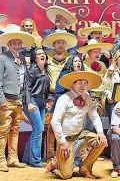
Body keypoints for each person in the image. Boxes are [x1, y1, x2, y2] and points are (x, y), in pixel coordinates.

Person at [46, 71, 107, 179]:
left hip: (80, 136)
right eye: (80, 82)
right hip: (66, 140)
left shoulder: (88, 99)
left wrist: (100, 132)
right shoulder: (63, 99)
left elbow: (95, 116)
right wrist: (62, 143)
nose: (83, 86)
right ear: (73, 84)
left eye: (85, 83)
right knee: (66, 175)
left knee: (102, 141)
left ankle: (85, 168)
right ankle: (56, 162)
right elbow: (55, 122)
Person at [0, 25, 34, 172]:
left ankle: (13, 158)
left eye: (19, 43)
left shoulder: (23, 59)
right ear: (9, 44)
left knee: (15, 130)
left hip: (18, 100)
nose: (17, 45)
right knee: (2, 130)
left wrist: (25, 100)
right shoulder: (2, 58)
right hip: (7, 100)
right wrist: (1, 100)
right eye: (14, 43)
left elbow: (25, 82)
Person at [41, 32, 78, 161]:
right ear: (54, 45)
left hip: (68, 95)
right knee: (51, 124)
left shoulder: (71, 59)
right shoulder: (47, 58)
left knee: (65, 124)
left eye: (63, 43)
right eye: (58, 43)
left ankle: (63, 155)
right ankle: (50, 155)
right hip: (52, 95)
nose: (61, 45)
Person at [22, 48, 50, 167]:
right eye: (39, 54)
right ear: (35, 57)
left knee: (38, 130)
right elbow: (27, 88)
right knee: (38, 129)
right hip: (32, 101)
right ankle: (35, 160)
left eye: (43, 53)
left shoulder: (46, 70)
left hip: (42, 102)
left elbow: (46, 87)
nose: (42, 55)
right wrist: (28, 103)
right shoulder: (32, 70)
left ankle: (26, 158)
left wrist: (47, 101)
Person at [77, 39, 113, 130]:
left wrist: (108, 75)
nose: (98, 54)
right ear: (89, 52)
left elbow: (106, 81)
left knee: (102, 126)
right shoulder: (83, 65)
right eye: (95, 52)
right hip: (88, 98)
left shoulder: (103, 65)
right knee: (89, 126)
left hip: (102, 100)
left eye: (100, 52)